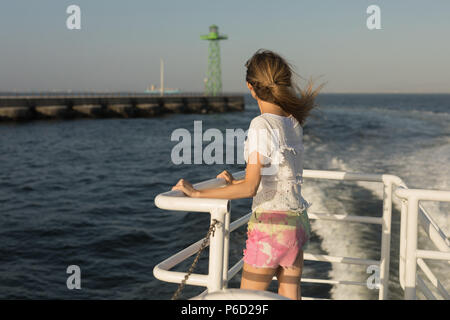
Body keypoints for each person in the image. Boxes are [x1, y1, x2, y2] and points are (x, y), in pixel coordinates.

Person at [171, 49, 322, 300]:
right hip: (296, 224)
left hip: (271, 228)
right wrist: (235, 182)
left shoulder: (261, 124)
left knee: (245, 301)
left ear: (250, 87)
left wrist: (198, 193)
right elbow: (277, 176)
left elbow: (251, 188)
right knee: (289, 296)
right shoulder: (293, 122)